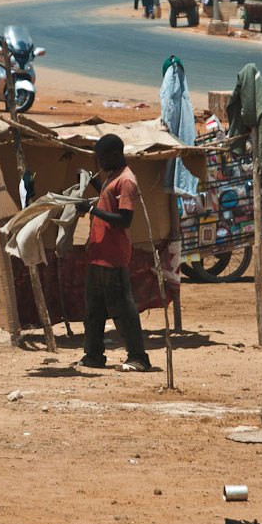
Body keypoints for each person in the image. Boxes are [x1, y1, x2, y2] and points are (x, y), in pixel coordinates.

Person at [75, 134, 151, 373]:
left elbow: (124, 219)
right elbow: (106, 199)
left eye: (101, 157)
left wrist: (92, 210)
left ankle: (138, 357)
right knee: (94, 309)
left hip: (113, 256)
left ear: (115, 155)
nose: (99, 162)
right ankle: (94, 355)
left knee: (123, 308)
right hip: (98, 254)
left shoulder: (126, 181)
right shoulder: (112, 177)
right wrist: (92, 184)